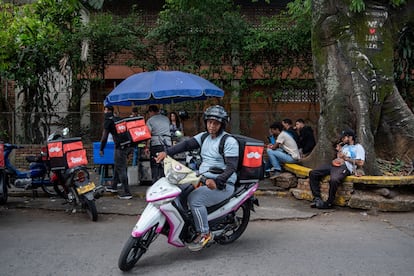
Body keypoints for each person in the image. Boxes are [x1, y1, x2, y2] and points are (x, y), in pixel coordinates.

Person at [155, 105, 239, 251]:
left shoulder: (229, 141)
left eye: (216, 123)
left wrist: (218, 181)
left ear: (222, 125)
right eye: (209, 122)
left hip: (222, 183)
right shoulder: (204, 137)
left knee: (195, 200)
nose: (212, 126)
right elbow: (186, 144)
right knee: (178, 191)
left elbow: (231, 167)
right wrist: (166, 153)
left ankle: (204, 233)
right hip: (202, 178)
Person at [309, 129, 365, 209]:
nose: (342, 139)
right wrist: (339, 152)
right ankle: (317, 198)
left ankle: (329, 202)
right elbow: (339, 157)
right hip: (334, 165)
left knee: (334, 179)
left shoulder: (358, 147)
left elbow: (361, 163)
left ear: (350, 137)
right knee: (313, 173)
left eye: (344, 137)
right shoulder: (344, 147)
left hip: (346, 167)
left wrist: (346, 158)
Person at [99, 105, 133, 200]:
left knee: (121, 169)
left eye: (105, 110)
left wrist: (101, 149)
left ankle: (127, 192)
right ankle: (113, 186)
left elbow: (104, 137)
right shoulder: (117, 119)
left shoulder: (108, 121)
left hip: (120, 147)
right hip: (127, 145)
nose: (104, 112)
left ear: (107, 110)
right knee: (118, 165)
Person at [144, 105, 172, 183]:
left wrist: (146, 147)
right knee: (166, 165)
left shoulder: (150, 120)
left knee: (155, 164)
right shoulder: (166, 118)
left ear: (151, 112)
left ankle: (155, 183)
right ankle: (166, 183)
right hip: (168, 144)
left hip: (156, 144)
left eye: (149, 113)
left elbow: (148, 135)